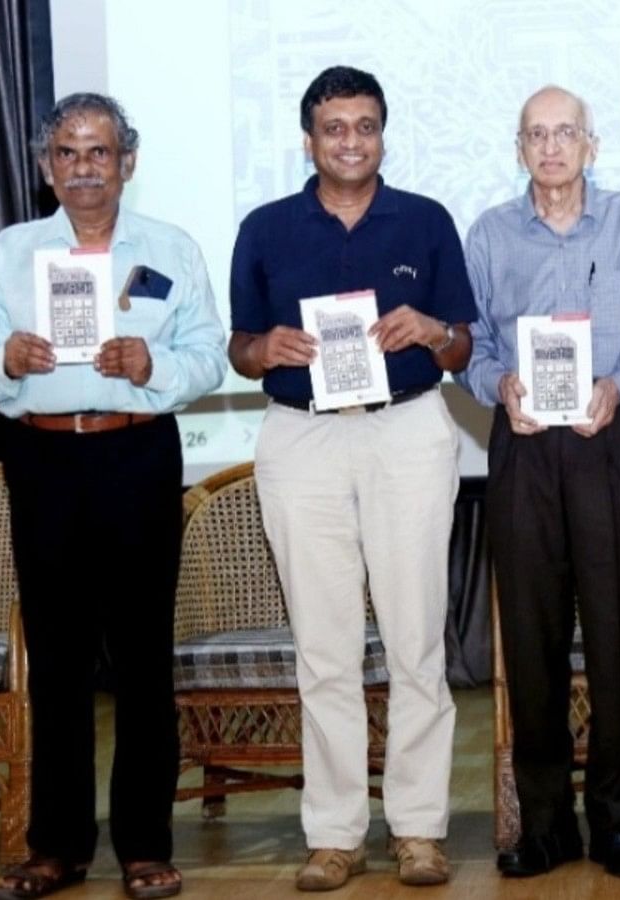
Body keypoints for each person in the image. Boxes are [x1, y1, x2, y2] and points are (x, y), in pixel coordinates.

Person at [0, 92, 228, 900]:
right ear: (47, 168)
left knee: (145, 660)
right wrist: (3, 358)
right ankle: (57, 848)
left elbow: (210, 355)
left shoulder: (171, 247)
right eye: (68, 153)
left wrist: (157, 369)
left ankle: (145, 845)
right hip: (41, 461)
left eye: (99, 152)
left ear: (128, 163)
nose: (84, 168)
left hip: (136, 452)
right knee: (58, 663)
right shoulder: (11, 251)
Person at [228, 65, 474, 891]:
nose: (350, 141)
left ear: (382, 133)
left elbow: (462, 349)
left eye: (365, 125)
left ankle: (418, 831)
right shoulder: (264, 228)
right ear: (309, 137)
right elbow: (240, 346)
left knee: (415, 642)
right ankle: (333, 835)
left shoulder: (427, 220)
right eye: (335, 127)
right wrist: (263, 351)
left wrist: (435, 329)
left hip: (407, 431)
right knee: (325, 650)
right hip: (301, 438)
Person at [458, 85, 620, 881]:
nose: (551, 147)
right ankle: (546, 826)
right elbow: (471, 342)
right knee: (531, 638)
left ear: (592, 142)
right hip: (524, 446)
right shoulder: (487, 234)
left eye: (565, 133)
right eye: (535, 135)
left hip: (610, 438)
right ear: (517, 147)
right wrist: (498, 386)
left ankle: (618, 824)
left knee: (617, 634)